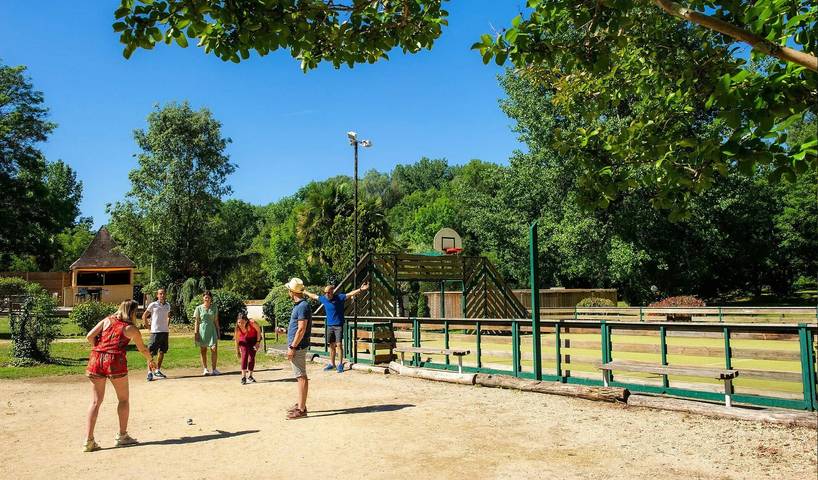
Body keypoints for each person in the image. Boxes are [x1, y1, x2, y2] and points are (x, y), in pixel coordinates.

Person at [84, 299, 156, 452]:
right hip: (115, 361)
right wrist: (150, 360)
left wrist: (99, 349)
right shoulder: (130, 328)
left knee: (96, 402)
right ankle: (122, 436)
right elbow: (142, 349)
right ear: (131, 312)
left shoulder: (107, 320)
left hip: (96, 359)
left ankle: (89, 440)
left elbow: (90, 336)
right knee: (123, 400)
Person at [304, 281, 369, 373]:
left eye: (328, 292)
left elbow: (350, 293)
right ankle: (332, 364)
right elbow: (313, 296)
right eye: (325, 292)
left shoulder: (339, 298)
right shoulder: (324, 299)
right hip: (329, 326)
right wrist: (304, 291)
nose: (326, 294)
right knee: (331, 345)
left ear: (332, 291)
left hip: (338, 325)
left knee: (339, 345)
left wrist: (361, 289)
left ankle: (340, 364)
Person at [285, 278, 312, 420]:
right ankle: (301, 404)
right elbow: (298, 327)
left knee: (301, 377)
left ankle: (301, 409)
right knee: (300, 376)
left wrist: (292, 346)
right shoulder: (300, 305)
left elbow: (301, 329)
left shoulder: (302, 306)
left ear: (292, 291)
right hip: (298, 345)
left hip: (298, 347)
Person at [142, 287, 171, 381]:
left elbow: (168, 317)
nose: (162, 295)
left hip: (165, 332)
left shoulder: (168, 305)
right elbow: (144, 316)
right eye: (160, 294)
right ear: (157, 295)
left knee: (162, 351)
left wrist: (167, 325)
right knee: (151, 353)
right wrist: (149, 328)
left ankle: (157, 370)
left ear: (165, 295)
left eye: (163, 293)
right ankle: (149, 372)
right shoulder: (153, 305)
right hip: (155, 332)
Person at [193, 290, 220, 376]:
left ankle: (214, 369)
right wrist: (196, 333)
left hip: (212, 330)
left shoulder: (214, 307)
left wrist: (218, 331)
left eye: (208, 297)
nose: (207, 299)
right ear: (203, 298)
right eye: (205, 297)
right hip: (202, 330)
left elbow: (216, 320)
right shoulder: (198, 308)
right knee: (203, 350)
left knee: (214, 349)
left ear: (211, 298)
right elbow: (196, 322)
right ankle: (205, 369)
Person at [235, 312, 261, 385]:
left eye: (243, 322)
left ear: (246, 321)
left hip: (253, 339)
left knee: (252, 357)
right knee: (245, 355)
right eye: (239, 322)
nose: (241, 324)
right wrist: (237, 351)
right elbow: (236, 340)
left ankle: (250, 376)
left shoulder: (252, 322)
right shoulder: (237, 327)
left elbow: (259, 331)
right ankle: (243, 377)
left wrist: (258, 342)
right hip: (243, 339)